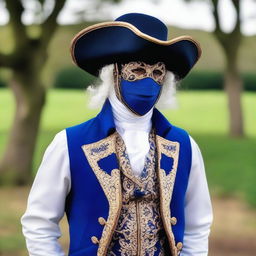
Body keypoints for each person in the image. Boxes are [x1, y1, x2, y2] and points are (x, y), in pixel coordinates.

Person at [21, 13, 213, 256]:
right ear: (113, 73)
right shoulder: (69, 143)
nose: (148, 80)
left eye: (157, 72)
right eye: (137, 69)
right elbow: (39, 223)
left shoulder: (184, 145)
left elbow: (198, 225)